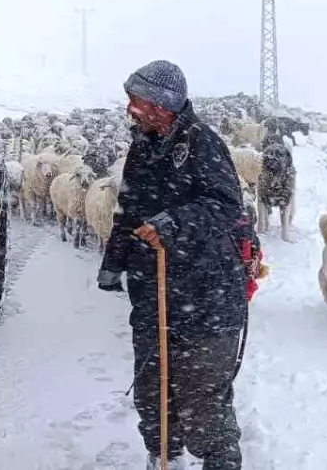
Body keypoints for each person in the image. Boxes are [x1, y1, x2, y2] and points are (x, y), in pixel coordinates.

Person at [97, 60, 248, 470]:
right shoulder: (142, 145)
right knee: (153, 388)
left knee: (201, 396)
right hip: (154, 291)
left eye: (137, 101)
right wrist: (114, 260)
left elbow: (225, 205)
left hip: (205, 294)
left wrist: (172, 223)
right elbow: (128, 206)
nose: (130, 109)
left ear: (162, 105)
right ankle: (164, 456)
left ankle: (219, 462)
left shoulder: (202, 143)